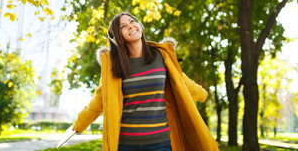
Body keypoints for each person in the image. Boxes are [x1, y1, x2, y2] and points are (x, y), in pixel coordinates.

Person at [71, 12, 219, 151]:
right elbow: (98, 100)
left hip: (160, 143)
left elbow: (182, 82)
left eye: (132, 21)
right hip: (126, 144)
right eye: (123, 26)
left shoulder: (161, 57)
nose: (130, 26)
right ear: (117, 37)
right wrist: (78, 126)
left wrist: (203, 94)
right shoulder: (114, 67)